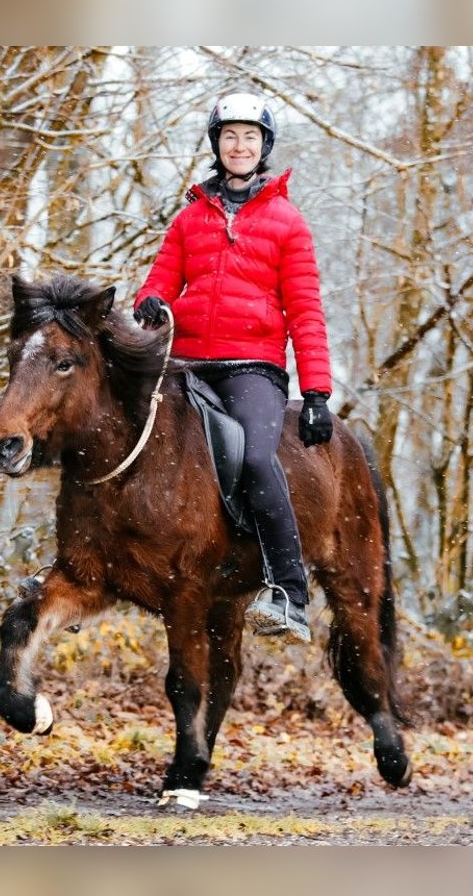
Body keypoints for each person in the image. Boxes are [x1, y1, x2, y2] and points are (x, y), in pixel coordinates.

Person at [133, 91, 334, 645]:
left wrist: (316, 392)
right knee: (122, 429)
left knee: (255, 458)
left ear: (263, 147)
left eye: (249, 137)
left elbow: (306, 310)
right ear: (216, 144)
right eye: (229, 136)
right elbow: (158, 281)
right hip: (186, 363)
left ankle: (289, 593)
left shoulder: (287, 222)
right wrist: (150, 302)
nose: (239, 146)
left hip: (252, 367)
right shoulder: (189, 218)